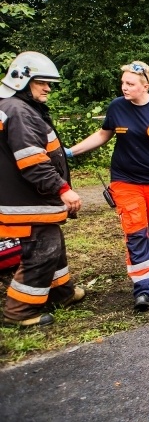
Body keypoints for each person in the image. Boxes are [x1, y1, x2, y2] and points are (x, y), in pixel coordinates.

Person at [67, 61, 149, 312]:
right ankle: (143, 288)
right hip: (126, 181)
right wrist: (70, 151)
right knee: (135, 232)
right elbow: (103, 134)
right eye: (123, 82)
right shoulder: (117, 107)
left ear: (145, 85)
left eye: (130, 83)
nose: (124, 87)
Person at [0, 52, 85, 327]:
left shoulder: (16, 108)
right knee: (42, 251)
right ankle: (19, 311)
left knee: (53, 245)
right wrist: (63, 189)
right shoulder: (19, 111)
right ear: (21, 80)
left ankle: (61, 292)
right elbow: (32, 162)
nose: (48, 88)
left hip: (29, 199)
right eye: (42, 82)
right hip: (26, 202)